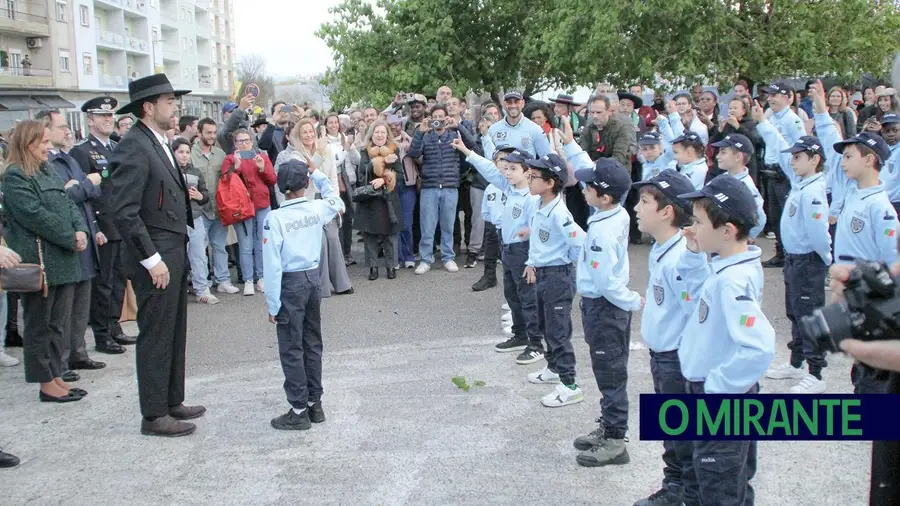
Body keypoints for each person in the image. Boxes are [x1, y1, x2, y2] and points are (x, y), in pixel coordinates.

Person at [108, 74, 206, 437]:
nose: (175, 105)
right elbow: (124, 210)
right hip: (155, 253)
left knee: (174, 329)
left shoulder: (158, 141)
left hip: (172, 246)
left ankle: (171, 400)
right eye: (169, 100)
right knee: (156, 333)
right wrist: (151, 259)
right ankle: (153, 414)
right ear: (148, 107)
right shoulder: (134, 145)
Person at [677, 175, 776, 506]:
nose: (691, 228)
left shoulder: (732, 281)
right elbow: (695, 297)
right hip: (719, 391)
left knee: (719, 485)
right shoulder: (727, 265)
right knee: (727, 480)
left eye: (698, 222)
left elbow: (759, 346)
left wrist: (716, 385)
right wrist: (694, 253)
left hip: (722, 398)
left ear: (728, 231)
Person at [2, 120, 90, 403]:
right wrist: (69, 235)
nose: (48, 147)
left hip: (62, 260)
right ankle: (45, 382)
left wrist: (80, 229)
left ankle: (56, 375)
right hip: (42, 263)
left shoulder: (47, 170)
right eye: (43, 143)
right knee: (40, 323)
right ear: (28, 144)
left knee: (58, 323)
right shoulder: (16, 175)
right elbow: (34, 215)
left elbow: (67, 204)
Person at [631, 170, 698, 506]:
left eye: (644, 202)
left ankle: (684, 493)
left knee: (682, 434)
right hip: (662, 357)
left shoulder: (681, 259)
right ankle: (675, 486)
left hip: (677, 360)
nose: (636, 209)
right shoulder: (661, 249)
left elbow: (696, 315)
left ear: (667, 211)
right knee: (674, 433)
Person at [571, 158, 643, 468]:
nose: (584, 189)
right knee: (608, 370)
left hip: (604, 307)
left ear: (605, 196)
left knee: (610, 374)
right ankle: (609, 425)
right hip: (604, 305)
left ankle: (615, 439)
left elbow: (604, 280)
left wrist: (629, 300)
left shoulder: (602, 230)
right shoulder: (614, 214)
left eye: (589, 186)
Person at [263, 158, 344, 430]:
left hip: (289, 282)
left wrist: (273, 305)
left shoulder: (274, 218)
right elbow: (336, 197)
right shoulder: (317, 208)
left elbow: (272, 265)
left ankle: (298, 409)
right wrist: (317, 171)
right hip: (312, 279)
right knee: (312, 342)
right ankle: (314, 403)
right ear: (305, 184)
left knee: (291, 346)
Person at [41, 109, 109, 377]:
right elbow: (61, 199)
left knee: (82, 300)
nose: (67, 131)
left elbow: (95, 189)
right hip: (66, 241)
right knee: (63, 308)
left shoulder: (68, 158)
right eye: (61, 127)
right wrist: (83, 186)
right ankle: (62, 361)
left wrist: (82, 185)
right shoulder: (46, 163)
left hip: (85, 234)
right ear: (45, 130)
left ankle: (78, 352)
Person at [69, 96, 135, 353]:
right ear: (90, 120)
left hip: (120, 222)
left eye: (110, 116)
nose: (108, 119)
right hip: (102, 224)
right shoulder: (82, 151)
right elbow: (84, 190)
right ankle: (102, 335)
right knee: (104, 284)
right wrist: (94, 227)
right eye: (102, 116)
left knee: (119, 281)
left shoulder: (116, 146)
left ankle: (114, 326)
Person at [522, 153, 585, 407]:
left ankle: (570, 385)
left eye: (534, 177)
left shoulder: (560, 213)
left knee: (558, 332)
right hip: (543, 273)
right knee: (546, 325)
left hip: (558, 276)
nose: (529, 179)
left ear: (550, 183)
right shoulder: (539, 205)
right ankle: (554, 368)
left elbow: (579, 243)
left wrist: (572, 270)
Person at [223, 128, 276, 296]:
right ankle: (248, 279)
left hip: (261, 203)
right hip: (242, 207)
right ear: (235, 143)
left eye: (246, 140)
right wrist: (236, 167)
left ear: (252, 142)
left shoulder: (261, 157)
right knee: (245, 245)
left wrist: (262, 168)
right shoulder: (230, 159)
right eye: (240, 141)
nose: (244, 144)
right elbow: (225, 180)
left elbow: (272, 180)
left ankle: (261, 277)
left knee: (261, 243)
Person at [190, 118, 238, 295]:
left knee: (220, 245)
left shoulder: (220, 154)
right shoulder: (191, 154)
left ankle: (223, 280)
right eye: (208, 132)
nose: (211, 136)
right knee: (199, 250)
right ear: (199, 133)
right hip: (198, 209)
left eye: (213, 133)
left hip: (218, 208)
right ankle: (203, 283)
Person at [354, 120, 403, 280]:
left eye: (383, 132)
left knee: (390, 236)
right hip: (370, 198)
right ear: (372, 135)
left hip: (388, 198)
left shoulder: (393, 151)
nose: (380, 135)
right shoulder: (364, 151)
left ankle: (391, 267)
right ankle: (373, 268)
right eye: (377, 132)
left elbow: (400, 175)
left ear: (387, 134)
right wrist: (377, 162)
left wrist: (385, 179)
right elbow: (362, 172)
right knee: (370, 236)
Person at [173, 138, 214, 303]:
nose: (184, 156)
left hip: (195, 217)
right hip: (176, 219)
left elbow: (205, 195)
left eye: (187, 152)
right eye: (180, 152)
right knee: (177, 257)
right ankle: (177, 292)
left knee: (198, 256)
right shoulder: (169, 170)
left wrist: (199, 196)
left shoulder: (196, 172)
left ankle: (202, 289)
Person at [710, 134, 767, 240]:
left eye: (723, 152)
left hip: (733, 241)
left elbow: (759, 218)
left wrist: (746, 237)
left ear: (738, 157)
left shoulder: (746, 186)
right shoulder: (722, 178)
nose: (718, 156)